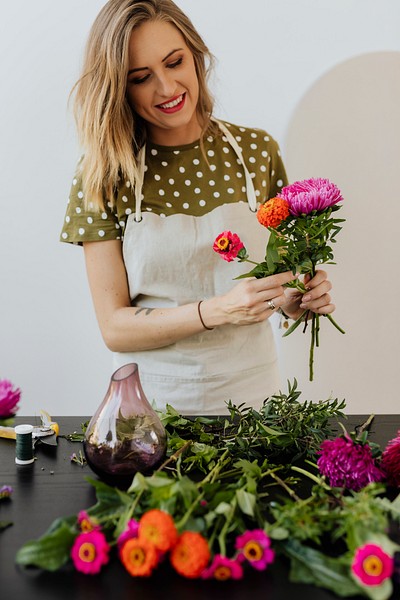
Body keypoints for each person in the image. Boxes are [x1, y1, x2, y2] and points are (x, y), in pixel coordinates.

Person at [60, 0, 335, 415]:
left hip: (256, 403)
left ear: (196, 55)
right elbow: (114, 327)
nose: (167, 88)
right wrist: (218, 310)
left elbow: (277, 284)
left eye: (175, 62)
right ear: (119, 88)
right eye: (141, 78)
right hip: (151, 409)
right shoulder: (104, 175)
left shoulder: (256, 152)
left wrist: (299, 300)